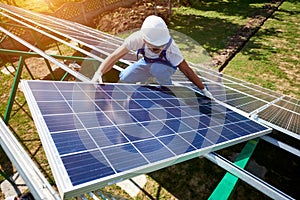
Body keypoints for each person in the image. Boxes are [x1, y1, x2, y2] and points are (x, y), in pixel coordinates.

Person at [92, 15, 213, 99]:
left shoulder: (172, 48)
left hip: (166, 67)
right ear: (144, 40)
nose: (160, 49)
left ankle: (167, 88)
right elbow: (114, 56)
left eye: (162, 46)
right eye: (155, 47)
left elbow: (186, 70)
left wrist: (203, 89)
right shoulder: (136, 39)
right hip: (146, 62)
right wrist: (99, 72)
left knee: (156, 68)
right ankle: (145, 82)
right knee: (124, 77)